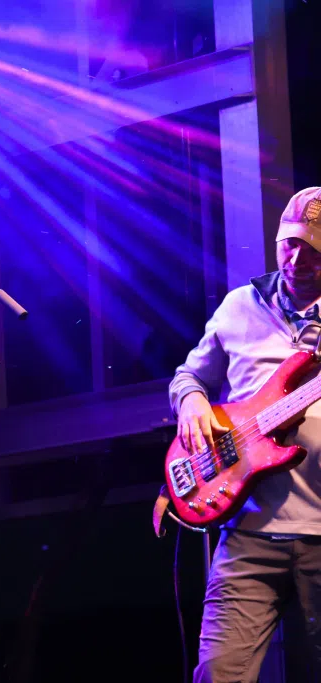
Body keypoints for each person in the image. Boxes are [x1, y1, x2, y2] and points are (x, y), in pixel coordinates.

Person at [170, 186, 321, 682]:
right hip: (247, 534)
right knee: (218, 674)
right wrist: (191, 401)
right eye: (289, 243)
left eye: (313, 249)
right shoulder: (240, 307)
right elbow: (189, 376)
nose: (297, 258)